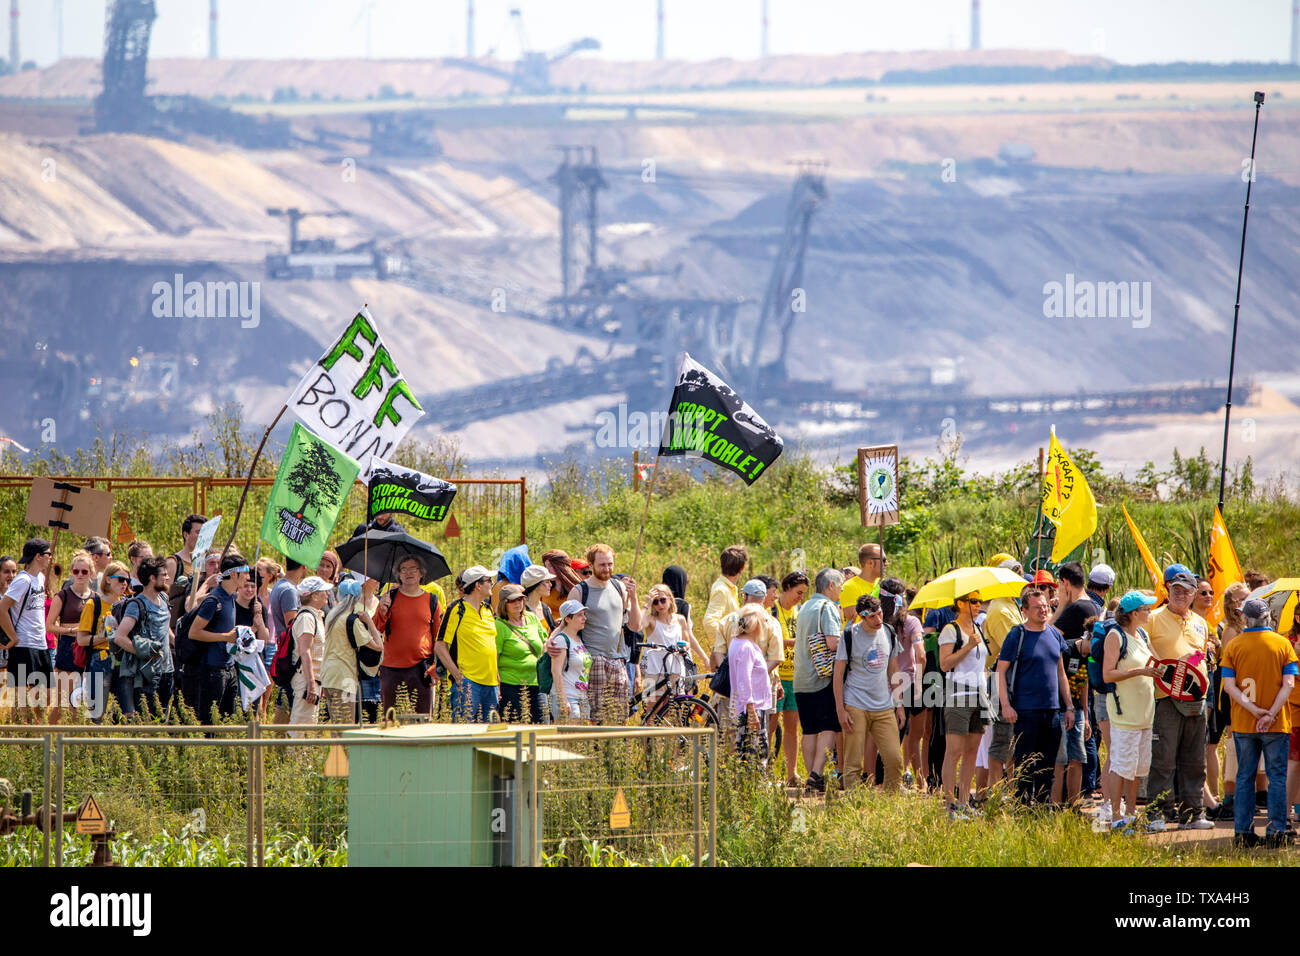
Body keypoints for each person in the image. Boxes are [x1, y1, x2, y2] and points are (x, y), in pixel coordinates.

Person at [1221, 597, 1299, 847]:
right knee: (1276, 775)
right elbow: (1289, 684)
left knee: (1245, 776)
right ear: (1268, 618)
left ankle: (1242, 832)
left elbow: (1229, 686)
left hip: (1245, 722)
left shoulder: (1234, 645)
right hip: (1276, 723)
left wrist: (1254, 711)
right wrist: (1271, 713)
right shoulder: (1282, 644)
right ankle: (1277, 830)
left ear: (1245, 619)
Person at [1147, 564, 1214, 830]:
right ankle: (1158, 814)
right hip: (1166, 697)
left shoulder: (1200, 622)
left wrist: (1201, 657)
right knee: (1163, 758)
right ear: (1168, 590)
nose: (1181, 595)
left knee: (1195, 760)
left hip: (1197, 699)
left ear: (1194, 593)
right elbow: (1144, 650)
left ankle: (1193, 814)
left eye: (1187, 591)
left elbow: (1200, 653)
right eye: (1176, 590)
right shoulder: (1152, 618)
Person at [997, 586, 1074, 805]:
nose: (1043, 611)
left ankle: (1041, 810)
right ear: (1025, 610)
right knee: (1025, 765)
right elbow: (1000, 672)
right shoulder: (1016, 635)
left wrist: (1068, 706)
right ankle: (1022, 810)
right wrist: (1005, 705)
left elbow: (1061, 673)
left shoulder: (1053, 635)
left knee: (1047, 767)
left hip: (1052, 712)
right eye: (1038, 608)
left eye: (1046, 606)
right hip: (1025, 711)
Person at [1101, 591, 1161, 832]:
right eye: (1145, 609)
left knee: (1137, 768)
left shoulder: (1143, 634)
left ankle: (1131, 814)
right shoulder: (1116, 636)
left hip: (1145, 713)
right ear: (1134, 613)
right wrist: (1139, 673)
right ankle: (1116, 817)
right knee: (1121, 764)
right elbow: (1108, 674)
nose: (1149, 612)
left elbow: (1156, 664)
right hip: (1124, 712)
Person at [834, 594, 905, 792]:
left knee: (894, 759)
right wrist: (841, 710)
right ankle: (853, 804)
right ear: (862, 617)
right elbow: (838, 674)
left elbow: (893, 670)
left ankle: (891, 804)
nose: (878, 620)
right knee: (853, 761)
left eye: (880, 614)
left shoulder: (889, 632)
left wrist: (899, 705)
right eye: (872, 617)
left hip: (884, 705)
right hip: (855, 703)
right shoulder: (849, 635)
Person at [566, 544, 640, 725]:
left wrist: (634, 596)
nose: (607, 569)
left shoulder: (619, 588)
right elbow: (567, 626)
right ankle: (596, 750)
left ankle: (615, 750)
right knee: (596, 717)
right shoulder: (579, 591)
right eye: (602, 565)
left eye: (610, 564)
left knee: (620, 715)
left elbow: (635, 626)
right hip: (594, 660)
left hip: (618, 660)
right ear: (590, 565)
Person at [794, 568, 844, 793]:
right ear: (831, 585)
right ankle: (816, 774)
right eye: (840, 584)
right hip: (822, 677)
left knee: (809, 730)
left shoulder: (805, 607)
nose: (842, 589)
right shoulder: (828, 607)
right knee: (830, 726)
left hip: (800, 678)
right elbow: (833, 643)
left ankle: (812, 778)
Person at [939, 591, 988, 816]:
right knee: (955, 751)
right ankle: (950, 802)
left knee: (972, 751)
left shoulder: (979, 627)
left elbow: (982, 664)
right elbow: (944, 664)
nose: (978, 605)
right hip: (958, 694)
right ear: (960, 603)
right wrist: (967, 647)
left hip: (979, 694)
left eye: (979, 601)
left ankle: (964, 802)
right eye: (973, 601)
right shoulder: (951, 630)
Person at [372, 556, 441, 716]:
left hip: (422, 669)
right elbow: (376, 629)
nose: (408, 572)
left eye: (413, 568)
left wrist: (435, 667)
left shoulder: (432, 600)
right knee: (390, 719)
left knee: (422, 720)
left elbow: (438, 638)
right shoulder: (389, 597)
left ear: (421, 573)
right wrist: (382, 610)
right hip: (391, 668)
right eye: (404, 569)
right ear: (399, 574)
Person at [1050, 562, 1095, 806]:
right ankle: (1072, 806)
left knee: (1062, 759)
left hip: (1063, 697)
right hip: (1078, 698)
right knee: (1076, 757)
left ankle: (1059, 805)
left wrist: (1063, 605)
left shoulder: (1075, 608)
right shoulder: (1093, 605)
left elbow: (1045, 633)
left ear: (1065, 583)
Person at [189, 554, 252, 723]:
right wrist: (225, 637)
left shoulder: (231, 598)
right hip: (212, 669)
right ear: (233, 574)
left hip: (229, 667)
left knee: (227, 721)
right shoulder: (214, 600)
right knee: (209, 723)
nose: (248, 576)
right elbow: (194, 632)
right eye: (245, 572)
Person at [980, 561, 1024, 792]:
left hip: (1015, 679)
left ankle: (1011, 789)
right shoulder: (1000, 609)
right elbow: (1016, 647)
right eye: (1015, 575)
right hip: (1004, 679)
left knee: (1014, 742)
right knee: (1002, 742)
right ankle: (998, 792)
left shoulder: (1011, 604)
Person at [113, 556, 173, 719]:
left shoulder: (164, 598)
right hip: (148, 673)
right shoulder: (137, 604)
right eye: (164, 575)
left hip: (168, 670)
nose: (167, 578)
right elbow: (120, 637)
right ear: (152, 578)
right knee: (147, 719)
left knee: (163, 719)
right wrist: (143, 652)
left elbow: (164, 628)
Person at [437, 566, 500, 723]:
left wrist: (497, 676)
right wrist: (458, 676)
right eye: (488, 580)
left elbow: (491, 644)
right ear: (477, 585)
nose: (492, 583)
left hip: (491, 683)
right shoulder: (456, 609)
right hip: (468, 683)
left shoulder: (488, 609)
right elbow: (440, 645)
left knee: (490, 735)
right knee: (464, 731)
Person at [0, 538, 54, 718]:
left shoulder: (40, 578)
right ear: (38, 556)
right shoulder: (22, 580)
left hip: (41, 644)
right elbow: (2, 608)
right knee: (22, 697)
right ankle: (22, 737)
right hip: (23, 644)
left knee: (45, 695)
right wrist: (13, 637)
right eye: (48, 554)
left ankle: (37, 733)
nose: (50, 557)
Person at [320, 577, 383, 723]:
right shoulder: (352, 620)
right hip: (345, 678)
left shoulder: (331, 616)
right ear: (357, 597)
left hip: (328, 675)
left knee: (336, 724)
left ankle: (335, 747)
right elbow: (378, 646)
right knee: (346, 726)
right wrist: (369, 622)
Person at [76, 560, 130, 722]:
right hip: (101, 659)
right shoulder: (94, 604)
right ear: (107, 579)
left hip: (124, 660)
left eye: (128, 580)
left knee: (126, 712)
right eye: (120, 579)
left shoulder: (128, 604)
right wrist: (104, 637)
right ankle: (94, 744)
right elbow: (81, 639)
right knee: (97, 713)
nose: (125, 584)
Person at [47, 549, 94, 723]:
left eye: (84, 571)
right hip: (67, 648)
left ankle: (74, 744)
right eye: (76, 571)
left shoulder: (94, 597)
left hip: (87, 650)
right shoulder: (63, 595)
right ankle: (44, 741)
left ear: (91, 573)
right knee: (61, 704)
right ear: (72, 572)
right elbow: (50, 626)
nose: (80, 575)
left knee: (80, 704)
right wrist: (71, 631)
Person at [641, 583, 705, 707]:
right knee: (654, 710)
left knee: (678, 709)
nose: (660, 605)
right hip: (655, 670)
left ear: (670, 598)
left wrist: (682, 648)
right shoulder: (651, 620)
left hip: (676, 668)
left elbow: (687, 642)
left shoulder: (680, 619)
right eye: (655, 602)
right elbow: (637, 625)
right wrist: (645, 605)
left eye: (663, 600)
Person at [772, 571, 808, 787]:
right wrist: (790, 642)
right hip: (776, 675)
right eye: (798, 592)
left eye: (803, 593)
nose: (800, 597)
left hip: (795, 677)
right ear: (787, 588)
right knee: (771, 723)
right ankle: (766, 770)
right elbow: (769, 639)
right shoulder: (773, 610)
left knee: (793, 727)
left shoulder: (799, 611)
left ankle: (792, 773)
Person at [727, 606, 774, 766]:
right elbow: (744, 679)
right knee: (757, 753)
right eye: (764, 621)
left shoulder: (739, 642)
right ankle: (754, 788)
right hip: (749, 708)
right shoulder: (746, 647)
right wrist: (751, 710)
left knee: (746, 753)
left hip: (745, 706)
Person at [495, 583, 547, 723]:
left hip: (536, 682)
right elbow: (494, 659)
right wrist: (497, 686)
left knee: (540, 724)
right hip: (511, 684)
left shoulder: (531, 618)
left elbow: (544, 642)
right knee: (516, 725)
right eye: (512, 600)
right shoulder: (499, 625)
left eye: (520, 599)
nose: (518, 603)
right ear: (504, 604)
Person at [288, 577, 331, 730]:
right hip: (305, 680)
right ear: (314, 596)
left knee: (309, 725)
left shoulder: (315, 615)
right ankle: (294, 754)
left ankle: (300, 753)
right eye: (324, 591)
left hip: (313, 679)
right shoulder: (307, 617)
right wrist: (311, 685)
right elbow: (305, 651)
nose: (328, 593)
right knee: (300, 726)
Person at [548, 600, 593, 722]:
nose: (584, 618)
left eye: (584, 614)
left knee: (581, 739)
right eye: (579, 615)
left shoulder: (578, 638)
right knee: (568, 739)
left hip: (582, 698)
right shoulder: (561, 640)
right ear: (567, 619)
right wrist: (563, 700)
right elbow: (556, 671)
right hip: (568, 698)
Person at [702, 545, 746, 662]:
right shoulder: (722, 590)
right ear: (742, 568)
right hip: (726, 655)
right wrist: (726, 644)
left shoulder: (729, 588)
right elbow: (709, 622)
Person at [165, 513, 207, 624]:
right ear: (186, 534)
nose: (202, 536)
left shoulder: (208, 564)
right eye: (198, 532)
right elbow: (163, 598)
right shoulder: (173, 563)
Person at [839, 543, 885, 621]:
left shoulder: (881, 584)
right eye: (883, 560)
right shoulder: (850, 587)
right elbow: (857, 619)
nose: (886, 563)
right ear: (870, 563)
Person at [540, 550, 580, 619]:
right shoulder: (545, 587)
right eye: (546, 566)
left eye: (550, 566)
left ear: (561, 566)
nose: (547, 570)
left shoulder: (577, 590)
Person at [520, 564, 557, 631]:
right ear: (536, 585)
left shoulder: (546, 609)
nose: (550, 585)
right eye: (547, 581)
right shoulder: (520, 609)